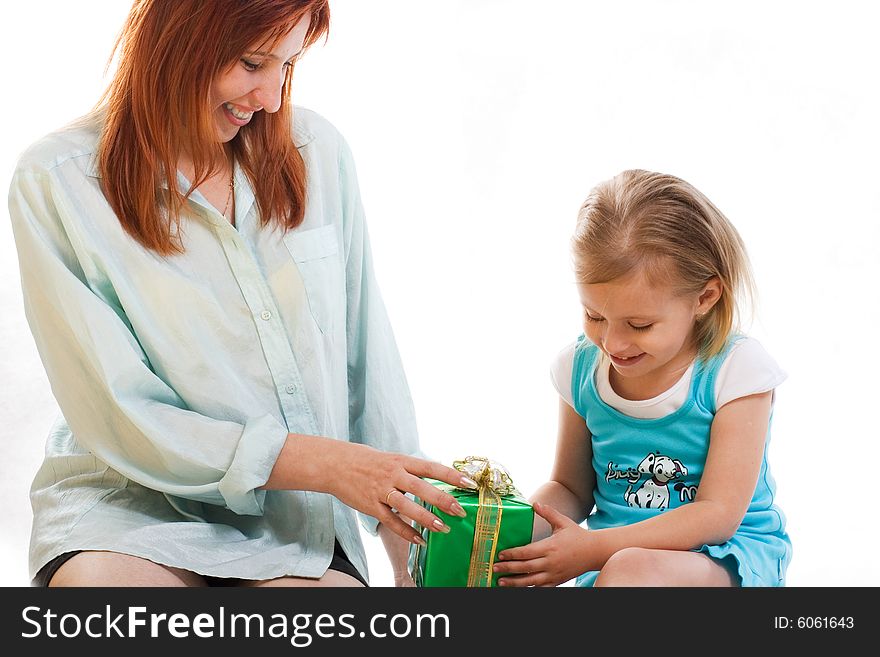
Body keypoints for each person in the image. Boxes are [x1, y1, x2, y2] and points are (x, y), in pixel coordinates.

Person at [8, 0, 476, 588]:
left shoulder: (317, 153)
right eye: (253, 63)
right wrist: (327, 464)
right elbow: (121, 411)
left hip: (294, 523)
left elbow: (366, 361)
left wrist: (405, 547)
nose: (273, 97)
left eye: (288, 64)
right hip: (128, 514)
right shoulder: (58, 180)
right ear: (178, 37)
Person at [493, 169, 792, 587]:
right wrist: (505, 537)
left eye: (639, 324)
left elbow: (717, 515)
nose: (612, 342)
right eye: (594, 316)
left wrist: (593, 550)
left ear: (705, 297)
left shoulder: (736, 371)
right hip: (610, 561)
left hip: (725, 559)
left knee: (630, 570)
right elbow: (570, 488)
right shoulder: (580, 370)